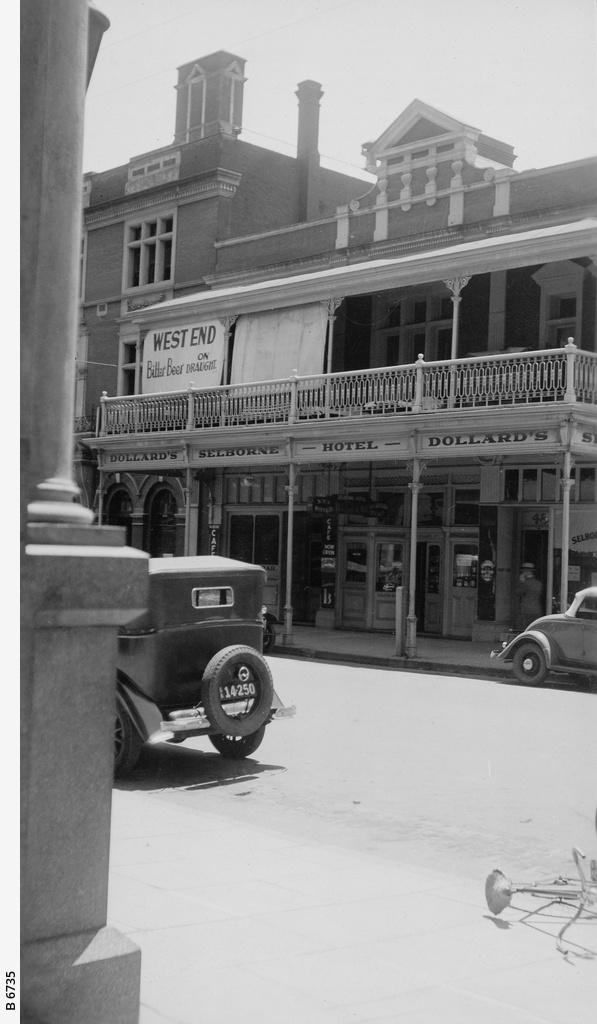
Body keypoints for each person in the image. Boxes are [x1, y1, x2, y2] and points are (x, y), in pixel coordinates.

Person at [514, 562, 543, 631]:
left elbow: (517, 592)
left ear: (525, 572)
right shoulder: (538, 583)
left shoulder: (525, 583)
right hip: (537, 609)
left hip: (525, 610)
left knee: (524, 630)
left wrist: (521, 582)